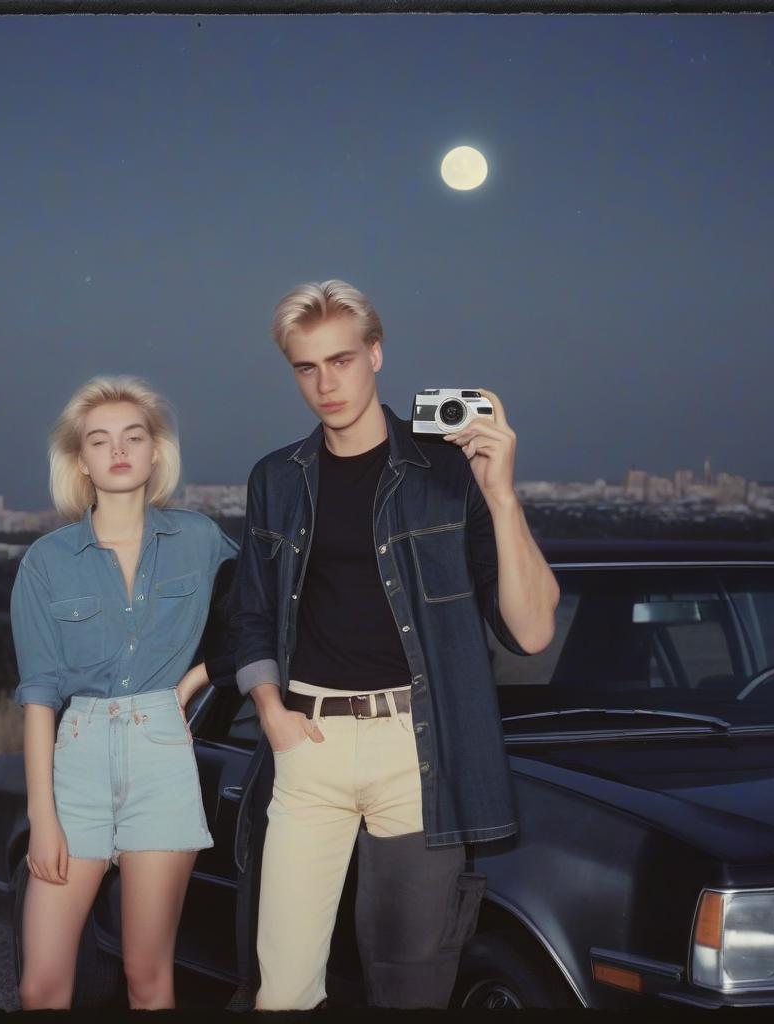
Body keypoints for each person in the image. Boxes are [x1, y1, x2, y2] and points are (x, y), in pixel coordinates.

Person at [228, 280, 560, 1010]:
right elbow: (250, 613)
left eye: (341, 360)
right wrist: (271, 711)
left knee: (408, 987)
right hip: (308, 743)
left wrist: (501, 495)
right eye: (306, 367)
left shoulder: (446, 474)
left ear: (376, 354)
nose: (325, 383)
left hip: (417, 752)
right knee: (280, 992)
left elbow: (532, 631)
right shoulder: (275, 480)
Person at [10, 375, 237, 1010]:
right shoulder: (47, 561)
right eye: (100, 440)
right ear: (79, 460)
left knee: (148, 976)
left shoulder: (199, 540)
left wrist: (197, 679)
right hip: (75, 762)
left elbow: (260, 614)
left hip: (163, 756)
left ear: (156, 451)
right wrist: (42, 819)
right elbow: (38, 698)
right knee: (43, 984)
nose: (118, 450)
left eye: (133, 436)